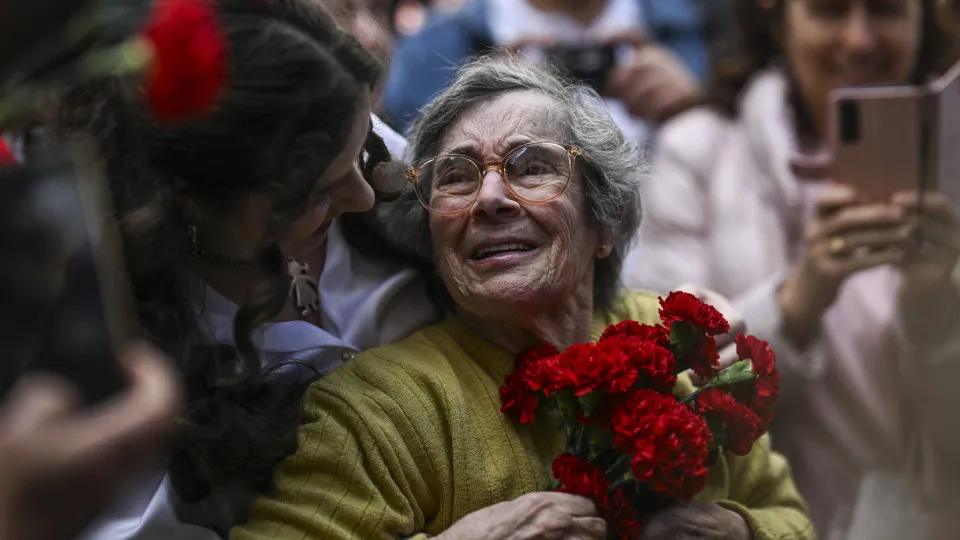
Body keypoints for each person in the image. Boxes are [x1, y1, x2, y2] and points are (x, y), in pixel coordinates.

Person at [231, 55, 814, 540]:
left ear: (604, 223)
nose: (488, 199)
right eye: (455, 176)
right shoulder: (377, 409)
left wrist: (739, 532)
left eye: (532, 167)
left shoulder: (676, 351)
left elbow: (790, 517)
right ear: (431, 239)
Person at [54, 0, 437, 538]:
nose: (365, 196)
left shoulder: (329, 122)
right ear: (190, 200)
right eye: (318, 193)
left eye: (364, 150)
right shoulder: (112, 346)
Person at [622, 0, 960, 538]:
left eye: (888, 10)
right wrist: (799, 298)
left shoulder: (953, 159)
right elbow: (660, 387)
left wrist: (933, 315)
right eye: (829, 11)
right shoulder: (698, 152)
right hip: (755, 521)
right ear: (778, 21)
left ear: (925, 21)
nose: (860, 41)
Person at [381, 0, 733, 142]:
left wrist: (699, 108)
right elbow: (406, 198)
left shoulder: (715, 25)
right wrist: (478, 118)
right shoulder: (431, 51)